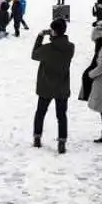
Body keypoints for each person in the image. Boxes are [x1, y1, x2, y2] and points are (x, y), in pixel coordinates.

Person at [31, 18, 75, 154]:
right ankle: (62, 141)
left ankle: (37, 137)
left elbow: (34, 55)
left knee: (40, 112)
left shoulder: (47, 49)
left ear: (54, 32)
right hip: (62, 86)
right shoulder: (70, 47)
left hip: (46, 86)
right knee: (61, 116)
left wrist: (40, 37)